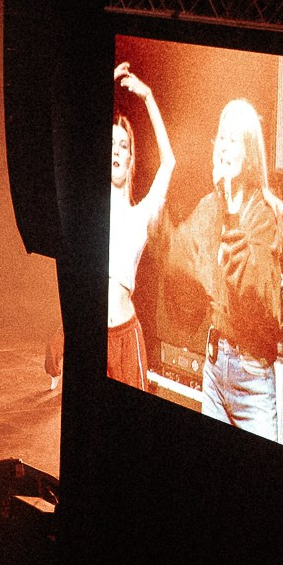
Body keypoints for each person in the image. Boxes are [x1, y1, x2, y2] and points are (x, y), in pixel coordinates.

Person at [175, 98, 283, 439]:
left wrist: (229, 211)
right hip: (214, 365)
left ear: (250, 153)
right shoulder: (208, 207)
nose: (224, 147)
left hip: (251, 376)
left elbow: (252, 290)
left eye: (233, 139)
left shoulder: (263, 215)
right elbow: (181, 257)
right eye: (221, 138)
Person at [108, 62, 175, 391]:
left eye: (124, 146)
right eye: (111, 144)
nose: (117, 151)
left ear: (132, 158)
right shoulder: (93, 206)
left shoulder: (141, 215)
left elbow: (170, 163)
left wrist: (148, 97)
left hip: (126, 335)